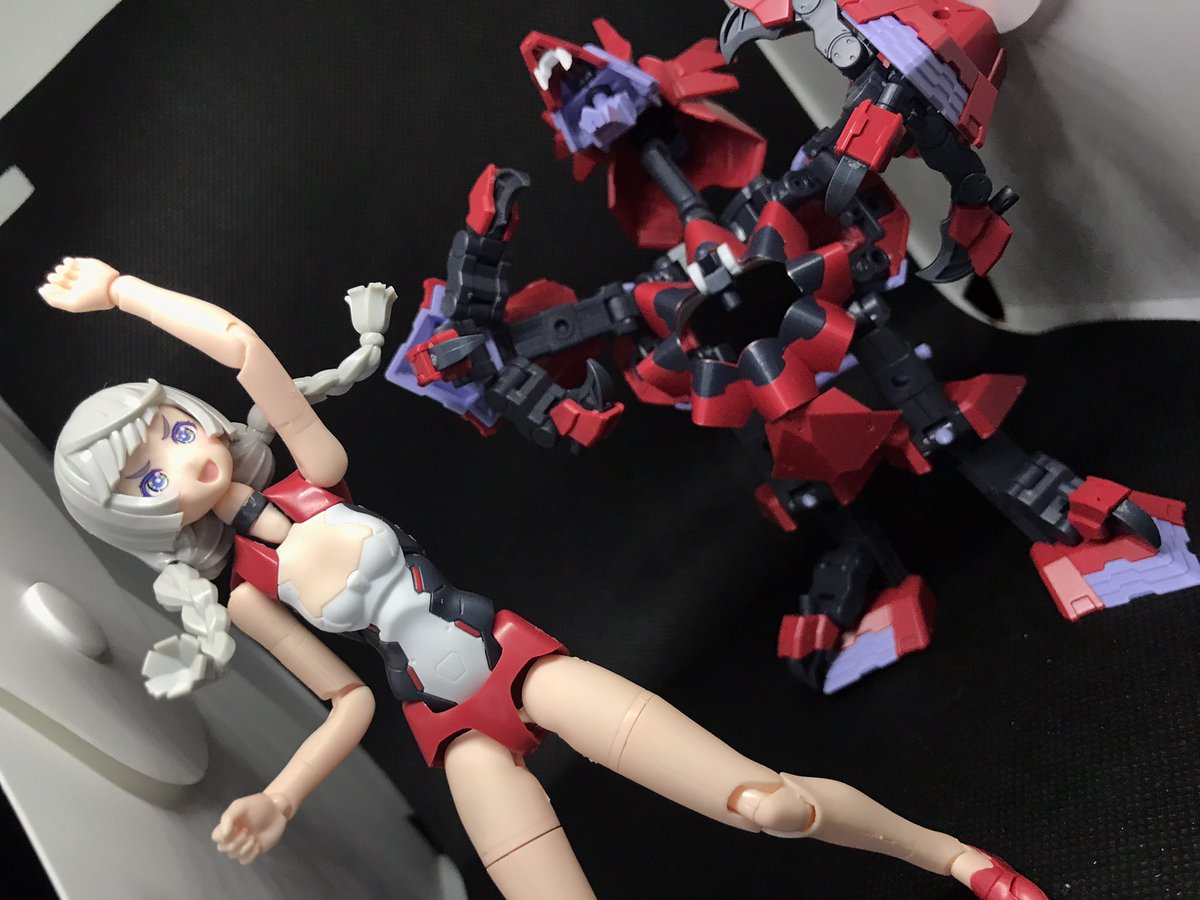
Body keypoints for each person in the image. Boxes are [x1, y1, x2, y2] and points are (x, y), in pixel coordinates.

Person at [41, 256, 1047, 900]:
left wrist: (122, 292)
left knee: (765, 804)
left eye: (173, 431)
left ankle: (956, 860)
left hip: (520, 666)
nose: (183, 462)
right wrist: (283, 799)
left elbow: (240, 348)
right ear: (136, 516)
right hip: (453, 734)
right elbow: (348, 701)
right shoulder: (246, 595)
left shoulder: (317, 475)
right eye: (148, 477)